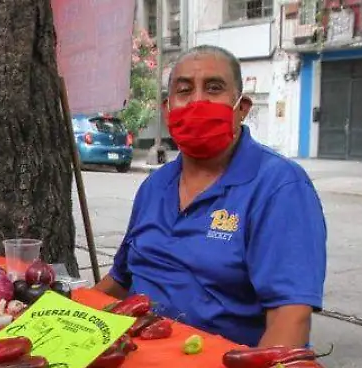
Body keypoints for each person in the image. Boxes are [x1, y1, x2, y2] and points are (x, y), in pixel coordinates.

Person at [96, 45, 327, 348]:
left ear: (241, 107)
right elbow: (120, 281)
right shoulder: (154, 187)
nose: (197, 101)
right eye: (184, 90)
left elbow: (290, 319)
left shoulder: (279, 187)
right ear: (168, 110)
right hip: (133, 356)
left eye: (214, 88)